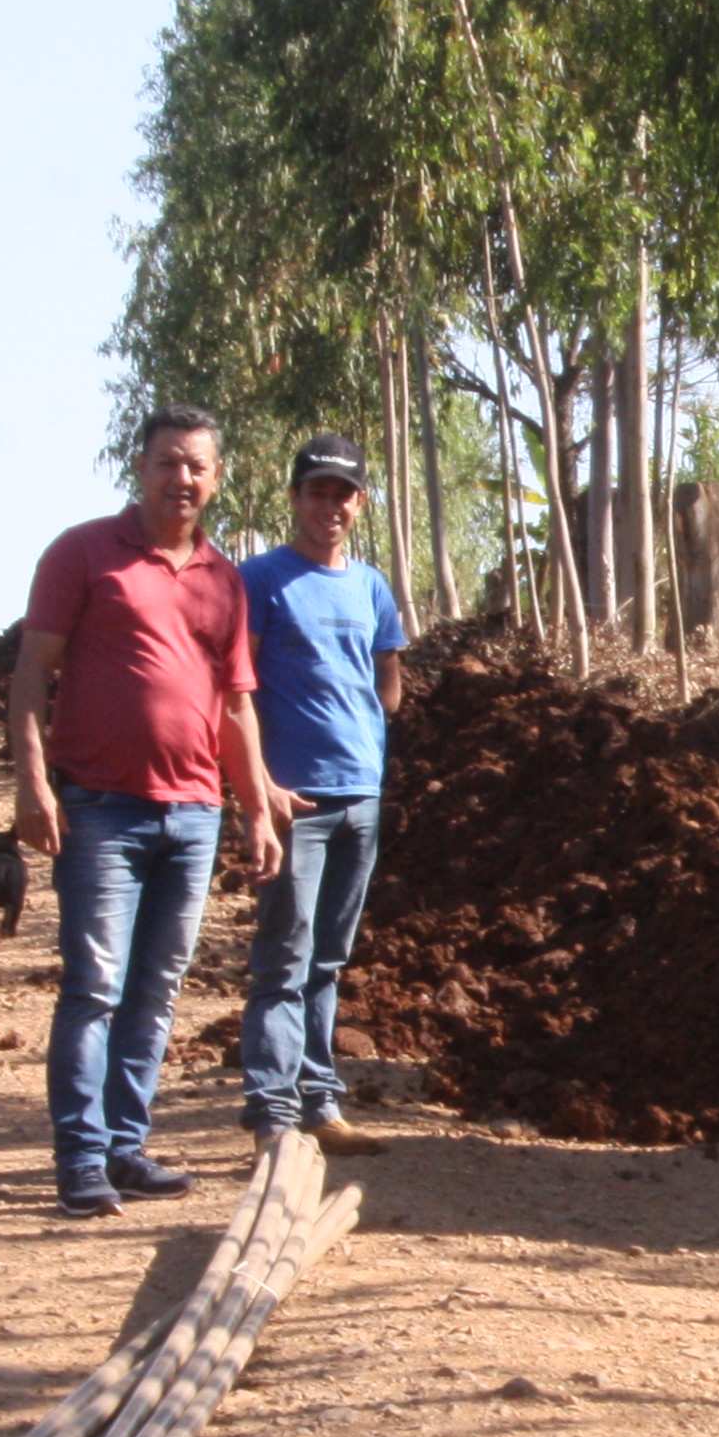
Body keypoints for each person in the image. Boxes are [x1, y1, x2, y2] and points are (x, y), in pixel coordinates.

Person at [8, 409, 287, 1219]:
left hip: (193, 811)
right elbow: (33, 670)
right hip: (100, 806)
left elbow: (236, 705)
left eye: (197, 466)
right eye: (168, 463)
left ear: (218, 478)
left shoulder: (222, 580)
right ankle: (81, 1158)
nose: (183, 479)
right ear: (140, 467)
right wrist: (34, 782)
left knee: (157, 989)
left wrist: (256, 809)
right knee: (95, 984)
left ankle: (124, 1144)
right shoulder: (83, 553)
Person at [238, 434, 410, 1157]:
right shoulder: (260, 581)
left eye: (343, 493)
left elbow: (389, 681)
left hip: (359, 798)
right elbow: (233, 688)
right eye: (317, 491)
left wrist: (364, 742)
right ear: (295, 498)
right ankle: (272, 1113)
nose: (330, 506)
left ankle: (320, 1103)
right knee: (284, 954)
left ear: (359, 502)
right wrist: (259, 788)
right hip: (294, 801)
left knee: (328, 959)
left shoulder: (371, 586)